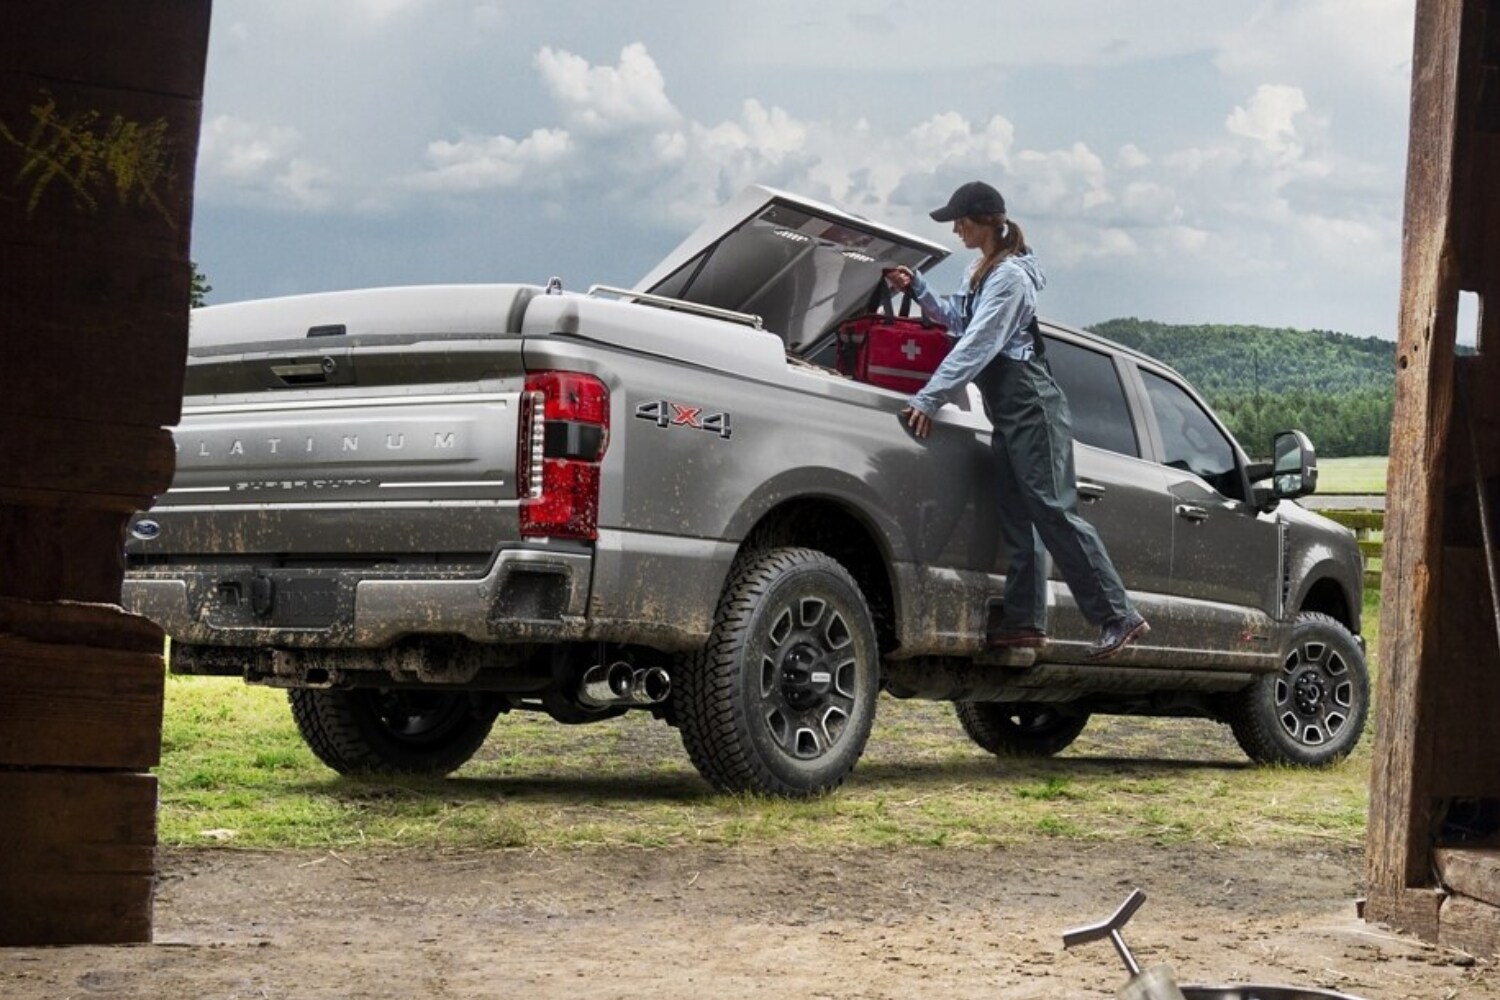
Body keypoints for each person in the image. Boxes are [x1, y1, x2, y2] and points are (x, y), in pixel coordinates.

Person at [886, 180, 1148, 662]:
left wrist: (928, 399)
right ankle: (1024, 623)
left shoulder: (1010, 278)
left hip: (1033, 405)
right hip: (1007, 411)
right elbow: (958, 320)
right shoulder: (979, 269)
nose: (956, 228)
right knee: (1018, 515)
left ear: (985, 220)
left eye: (960, 220)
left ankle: (1117, 615)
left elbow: (978, 343)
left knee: (1051, 509)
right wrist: (918, 289)